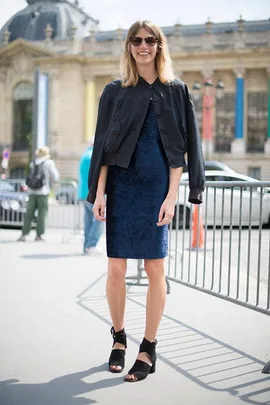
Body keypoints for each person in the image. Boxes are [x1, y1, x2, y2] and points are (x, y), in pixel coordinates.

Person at [88, 20, 205, 382]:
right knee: (116, 269)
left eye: (150, 40)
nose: (143, 46)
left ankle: (149, 346)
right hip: (122, 187)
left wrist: (173, 196)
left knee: (156, 270)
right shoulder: (114, 91)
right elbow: (103, 146)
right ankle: (119, 337)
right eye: (136, 40)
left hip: (157, 190)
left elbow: (182, 150)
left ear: (159, 45)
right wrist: (100, 192)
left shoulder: (177, 90)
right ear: (129, 46)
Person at [17, 146, 59, 242]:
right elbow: (56, 176)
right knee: (42, 214)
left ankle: (24, 234)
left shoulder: (33, 162)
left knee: (29, 213)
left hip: (31, 191)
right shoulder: (49, 162)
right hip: (43, 191)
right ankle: (39, 235)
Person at [78, 142, 103, 255]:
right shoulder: (94, 156)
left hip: (83, 193)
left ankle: (86, 245)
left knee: (88, 221)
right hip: (92, 193)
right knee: (99, 219)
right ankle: (91, 245)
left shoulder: (85, 155)